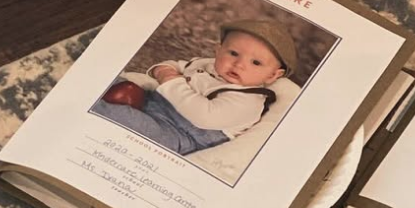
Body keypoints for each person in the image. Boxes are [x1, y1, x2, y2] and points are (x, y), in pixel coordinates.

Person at [93, 18, 298, 156]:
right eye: (233, 53)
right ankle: (88, 88)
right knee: (111, 80)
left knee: (123, 119)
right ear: (218, 51)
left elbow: (204, 115)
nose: (239, 64)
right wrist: (162, 69)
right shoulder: (207, 64)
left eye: (256, 63)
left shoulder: (248, 101)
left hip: (178, 134)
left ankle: (90, 109)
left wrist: (171, 81)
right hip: (154, 102)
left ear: (272, 75)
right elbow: (178, 65)